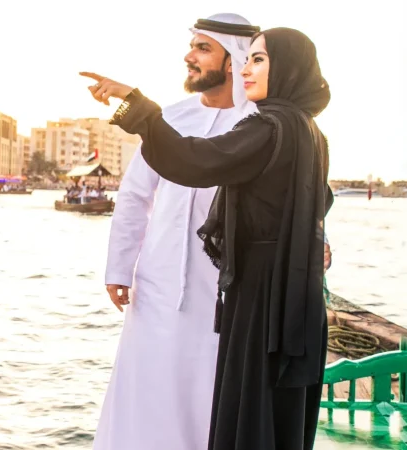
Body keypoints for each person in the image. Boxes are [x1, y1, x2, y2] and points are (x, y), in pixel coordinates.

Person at [83, 27, 334, 449]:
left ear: (286, 68)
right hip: (290, 294)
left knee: (247, 408)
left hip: (259, 294)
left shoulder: (267, 127)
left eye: (258, 60)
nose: (246, 69)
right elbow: (314, 198)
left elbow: (194, 162)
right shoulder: (307, 129)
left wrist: (138, 107)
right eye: (248, 59)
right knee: (273, 414)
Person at [93, 13, 259, 450]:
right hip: (156, 285)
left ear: (232, 60)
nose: (190, 57)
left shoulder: (257, 124)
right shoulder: (170, 118)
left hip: (223, 293)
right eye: (192, 47)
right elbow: (134, 196)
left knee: (207, 392)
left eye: (203, 49)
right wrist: (119, 268)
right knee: (145, 390)